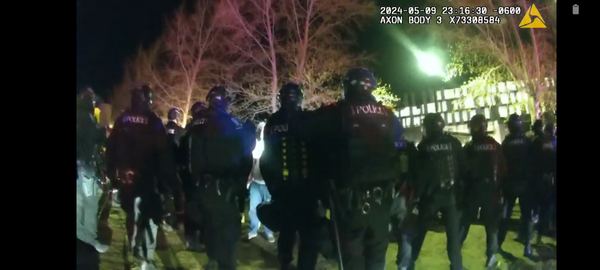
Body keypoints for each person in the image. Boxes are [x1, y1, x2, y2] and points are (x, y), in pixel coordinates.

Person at [307, 68, 404, 270]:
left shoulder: (334, 112)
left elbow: (307, 131)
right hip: (382, 202)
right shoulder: (388, 115)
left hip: (349, 204)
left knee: (352, 262)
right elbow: (395, 137)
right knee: (377, 259)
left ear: (346, 87)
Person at [105, 85, 182, 270]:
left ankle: (134, 250)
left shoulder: (122, 120)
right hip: (148, 181)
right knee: (149, 219)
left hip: (126, 180)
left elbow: (110, 149)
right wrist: (168, 183)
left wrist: (112, 175)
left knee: (132, 215)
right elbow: (164, 155)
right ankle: (145, 260)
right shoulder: (154, 122)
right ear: (149, 100)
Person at [184, 86, 255, 270]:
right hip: (225, 189)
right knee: (228, 233)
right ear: (225, 101)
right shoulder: (233, 123)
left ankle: (213, 260)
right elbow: (246, 153)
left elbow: (184, 155)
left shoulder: (194, 125)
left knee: (210, 228)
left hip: (201, 188)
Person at [258, 83, 322, 269]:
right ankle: (299, 264)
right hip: (303, 190)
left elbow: (266, 159)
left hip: (285, 190)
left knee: (289, 231)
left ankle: (286, 261)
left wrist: (273, 186)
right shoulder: (307, 119)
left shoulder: (273, 122)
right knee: (305, 232)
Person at [410, 113, 465, 270]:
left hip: (430, 197)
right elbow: (463, 168)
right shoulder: (453, 143)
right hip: (451, 196)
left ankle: (410, 263)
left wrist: (417, 197)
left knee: (419, 233)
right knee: (453, 237)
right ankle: (457, 266)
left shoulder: (424, 147)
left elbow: (418, 174)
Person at [460, 114, 506, 269]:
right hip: (491, 191)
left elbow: (462, 170)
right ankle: (491, 258)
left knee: (464, 224)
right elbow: (502, 170)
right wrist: (500, 189)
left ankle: (455, 255)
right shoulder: (495, 145)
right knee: (491, 226)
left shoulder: (469, 147)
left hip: (472, 191)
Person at [77, 87, 110, 256]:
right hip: (86, 166)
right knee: (90, 202)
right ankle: (89, 236)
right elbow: (94, 137)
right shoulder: (88, 119)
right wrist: (102, 132)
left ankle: (79, 232)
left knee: (78, 201)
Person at [499, 114, 534, 256]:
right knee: (527, 217)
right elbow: (533, 162)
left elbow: (502, 164)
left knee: (505, 216)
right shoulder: (527, 141)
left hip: (510, 184)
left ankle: (498, 244)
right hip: (526, 184)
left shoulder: (506, 143)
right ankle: (528, 247)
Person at [179, 101, 209, 251]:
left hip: (189, 179)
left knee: (191, 210)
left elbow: (180, 153)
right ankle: (200, 239)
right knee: (203, 210)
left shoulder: (189, 130)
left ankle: (191, 239)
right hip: (204, 179)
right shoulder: (207, 127)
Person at [390, 137, 418, 270]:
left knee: (378, 237)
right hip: (404, 195)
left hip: (383, 195)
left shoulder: (379, 143)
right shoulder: (409, 147)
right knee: (405, 233)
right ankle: (404, 266)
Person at [247, 125, 275, 242]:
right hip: (255, 183)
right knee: (253, 207)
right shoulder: (255, 145)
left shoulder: (271, 145)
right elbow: (252, 163)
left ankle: (269, 231)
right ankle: (253, 229)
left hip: (268, 184)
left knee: (268, 207)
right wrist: (249, 178)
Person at [530, 123, 556, 244]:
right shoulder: (545, 143)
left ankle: (541, 233)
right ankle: (540, 233)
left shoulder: (539, 142)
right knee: (545, 207)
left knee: (545, 207)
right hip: (545, 179)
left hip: (545, 178)